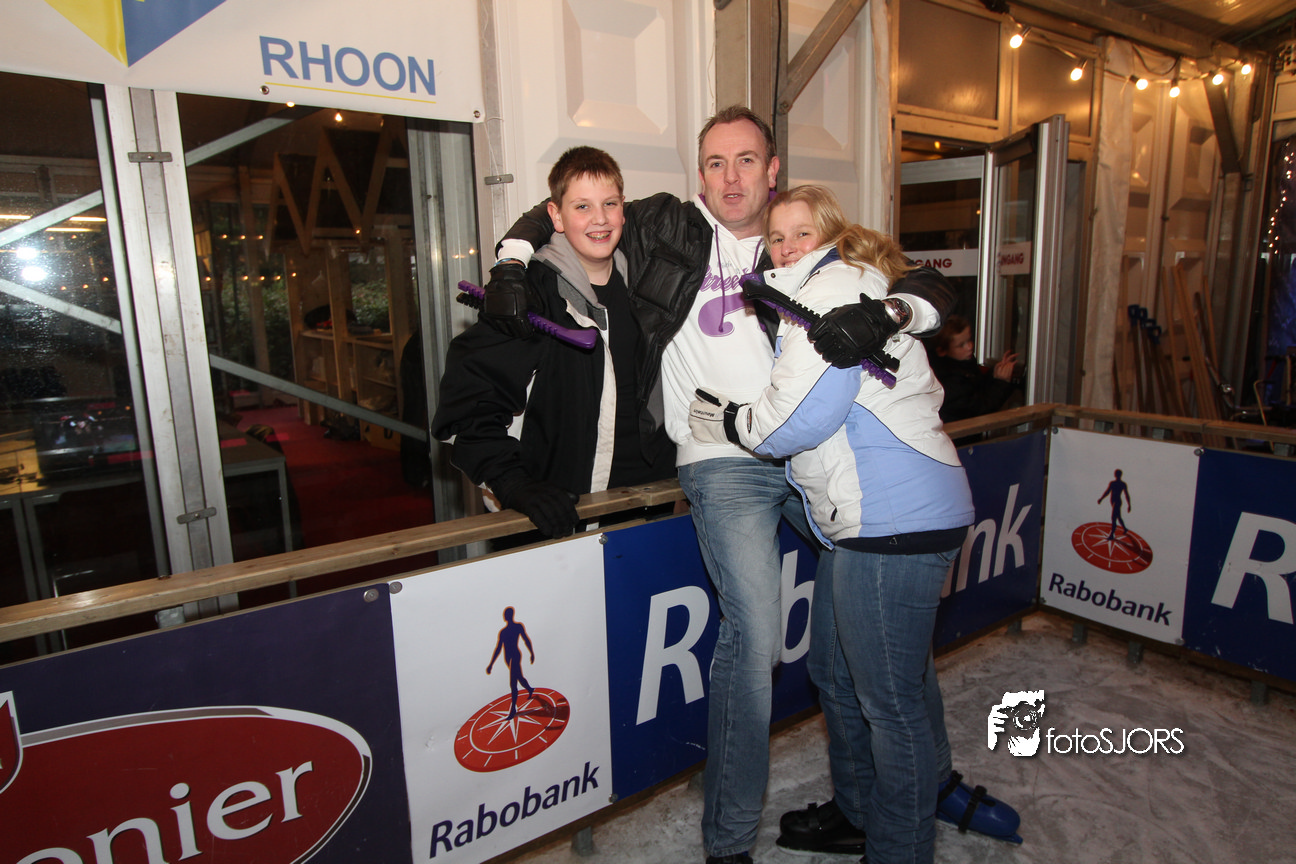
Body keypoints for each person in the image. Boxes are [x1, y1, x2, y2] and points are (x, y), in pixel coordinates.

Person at [480, 108, 954, 864]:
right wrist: (510, 264)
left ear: (773, 169)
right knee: (756, 636)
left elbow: (909, 278)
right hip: (720, 457)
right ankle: (729, 842)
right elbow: (558, 209)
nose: (730, 178)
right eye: (714, 162)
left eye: (746, 160)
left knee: (868, 638)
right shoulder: (663, 226)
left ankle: (885, 802)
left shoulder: (801, 237)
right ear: (698, 174)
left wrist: (902, 307)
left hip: (815, 457)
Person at [687, 184, 978, 864]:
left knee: (890, 705)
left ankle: (900, 848)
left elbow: (798, 417)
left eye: (802, 233)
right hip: (870, 519)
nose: (788, 247)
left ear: (830, 236)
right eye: (777, 237)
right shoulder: (819, 288)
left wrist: (730, 421)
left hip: (893, 518)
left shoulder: (834, 286)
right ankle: (859, 811)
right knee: (838, 674)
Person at [431, 146, 677, 540]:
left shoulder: (649, 280)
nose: (599, 219)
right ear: (555, 217)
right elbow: (470, 404)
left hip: (650, 506)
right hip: (561, 517)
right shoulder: (527, 294)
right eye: (582, 207)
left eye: (609, 204)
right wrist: (513, 483)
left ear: (623, 210)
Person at [926, 313, 1018, 422]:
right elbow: (978, 409)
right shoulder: (947, 380)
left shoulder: (964, 363)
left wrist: (995, 374)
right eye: (961, 345)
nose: (969, 347)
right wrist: (1001, 383)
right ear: (942, 351)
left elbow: (978, 388)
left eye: (969, 340)